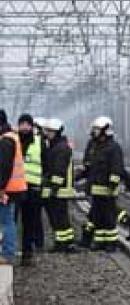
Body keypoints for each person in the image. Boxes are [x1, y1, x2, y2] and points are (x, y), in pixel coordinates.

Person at [80, 116, 130, 251]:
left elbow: (117, 168)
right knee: (98, 216)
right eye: (94, 129)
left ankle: (111, 242)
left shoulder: (113, 147)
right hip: (96, 188)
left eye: (97, 129)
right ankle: (100, 241)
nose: (94, 131)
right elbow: (90, 166)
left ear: (105, 130)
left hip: (107, 188)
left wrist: (113, 184)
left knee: (109, 218)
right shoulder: (95, 146)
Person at [39, 119, 76, 253]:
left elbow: (59, 171)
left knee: (60, 219)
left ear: (56, 132)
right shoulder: (55, 146)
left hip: (59, 190)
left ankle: (64, 244)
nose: (46, 134)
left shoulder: (61, 148)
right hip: (57, 190)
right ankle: (64, 243)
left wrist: (53, 187)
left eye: (49, 131)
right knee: (58, 218)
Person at [16, 115, 44, 265]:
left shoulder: (40, 142)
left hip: (33, 188)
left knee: (29, 223)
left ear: (32, 126)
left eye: (28, 124)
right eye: (22, 124)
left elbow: (46, 163)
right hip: (15, 188)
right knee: (11, 222)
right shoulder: (13, 141)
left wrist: (43, 183)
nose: (25, 127)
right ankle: (10, 251)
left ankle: (27, 253)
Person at [0, 110, 25, 265]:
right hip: (11, 188)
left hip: (7, 189)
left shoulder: (5, 141)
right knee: (6, 219)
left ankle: (7, 254)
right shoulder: (10, 138)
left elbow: (3, 167)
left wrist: (1, 189)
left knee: (6, 220)